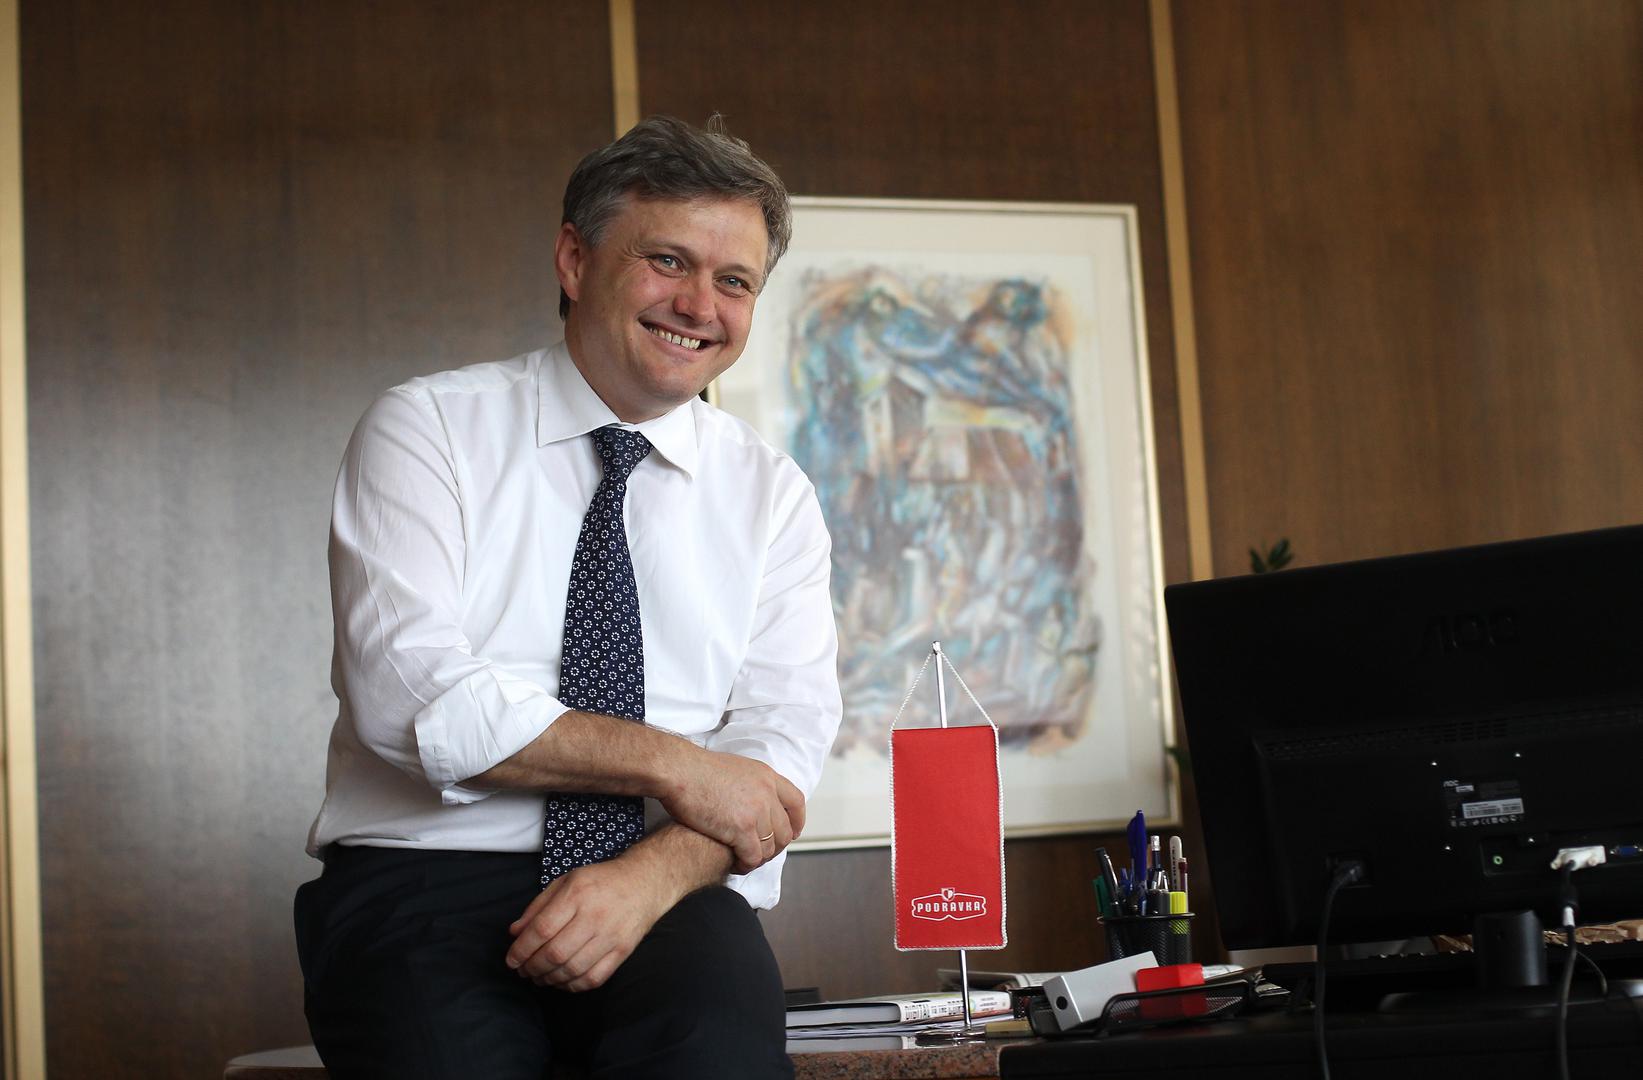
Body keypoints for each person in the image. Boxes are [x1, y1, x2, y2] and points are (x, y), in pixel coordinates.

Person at [294, 116, 842, 1080]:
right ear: (574, 259)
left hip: (666, 885)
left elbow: (778, 753)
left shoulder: (774, 494)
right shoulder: (427, 429)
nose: (698, 304)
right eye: (666, 260)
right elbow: (410, 697)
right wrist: (676, 767)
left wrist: (644, 879)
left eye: (734, 281)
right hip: (425, 882)